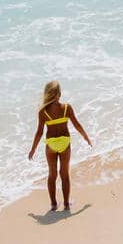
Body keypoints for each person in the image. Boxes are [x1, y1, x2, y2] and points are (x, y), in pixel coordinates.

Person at [26, 80, 92, 212]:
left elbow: (39, 132)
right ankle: (67, 204)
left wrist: (33, 149)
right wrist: (85, 137)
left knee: (52, 174)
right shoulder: (67, 108)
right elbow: (77, 125)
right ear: (59, 94)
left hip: (51, 145)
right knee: (64, 174)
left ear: (47, 94)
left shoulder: (43, 112)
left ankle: (53, 204)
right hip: (65, 144)